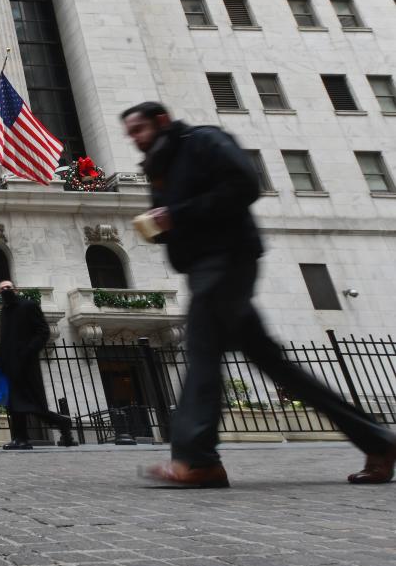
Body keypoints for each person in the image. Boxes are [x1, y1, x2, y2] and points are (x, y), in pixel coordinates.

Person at [122, 101, 396, 487]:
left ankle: (197, 460)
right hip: (203, 268)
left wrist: (177, 215)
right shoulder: (159, 167)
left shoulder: (203, 141)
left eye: (139, 130)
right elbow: (172, 216)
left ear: (161, 121)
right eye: (130, 134)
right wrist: (161, 225)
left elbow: (244, 185)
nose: (135, 139)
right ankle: (379, 441)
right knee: (276, 365)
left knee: (201, 352)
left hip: (228, 260)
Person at [0, 280, 76, 449]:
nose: (5, 290)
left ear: (15, 290)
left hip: (26, 364)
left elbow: (43, 331)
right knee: (14, 404)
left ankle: (62, 422)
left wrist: (29, 351)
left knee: (32, 405)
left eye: (8, 288)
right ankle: (21, 438)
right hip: (9, 365)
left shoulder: (28, 306)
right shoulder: (4, 312)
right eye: (2, 289)